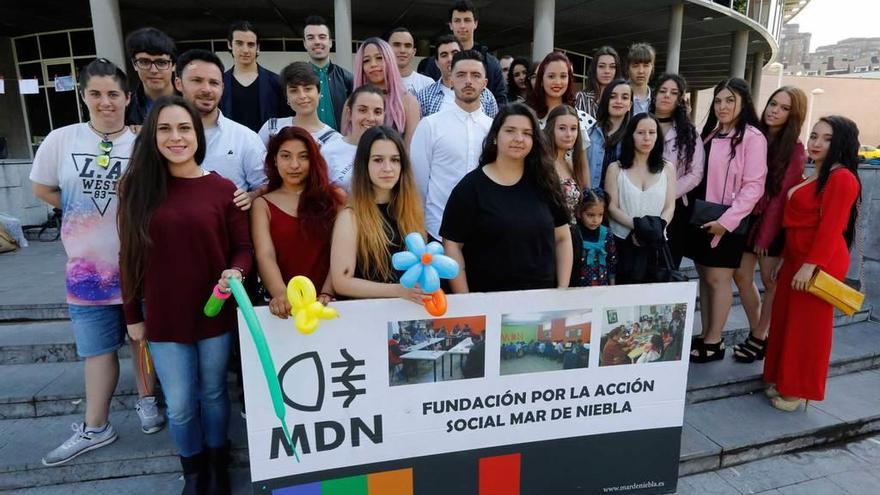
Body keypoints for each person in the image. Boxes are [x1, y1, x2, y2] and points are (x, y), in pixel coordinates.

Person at [32, 59, 163, 467]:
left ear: (127, 98)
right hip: (87, 270)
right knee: (97, 350)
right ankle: (96, 425)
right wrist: (80, 216)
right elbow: (42, 187)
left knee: (142, 341)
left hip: (140, 267)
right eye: (96, 94)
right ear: (84, 96)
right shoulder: (61, 139)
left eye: (113, 94)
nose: (105, 102)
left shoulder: (144, 143)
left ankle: (147, 401)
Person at [118, 95, 252, 494]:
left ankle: (216, 464)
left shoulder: (223, 188)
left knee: (213, 393)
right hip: (163, 315)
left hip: (214, 311)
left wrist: (237, 271)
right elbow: (128, 255)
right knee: (178, 403)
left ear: (198, 135)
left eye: (184, 129)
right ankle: (192, 472)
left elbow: (242, 249)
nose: (175, 137)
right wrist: (132, 315)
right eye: (165, 128)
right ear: (151, 136)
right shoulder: (136, 188)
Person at [763, 116, 862, 411]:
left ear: (841, 142)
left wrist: (810, 265)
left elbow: (832, 227)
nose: (816, 143)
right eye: (814, 136)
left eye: (826, 138)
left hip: (819, 261)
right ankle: (783, 379)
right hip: (797, 257)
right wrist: (786, 258)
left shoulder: (841, 177)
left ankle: (797, 391)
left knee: (808, 329)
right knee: (786, 321)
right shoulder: (815, 175)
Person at [441, 103, 573, 293]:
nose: (519, 139)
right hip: (488, 302)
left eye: (527, 133)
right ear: (495, 136)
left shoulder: (546, 184)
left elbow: (562, 238)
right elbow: (452, 245)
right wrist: (466, 300)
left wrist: (562, 289)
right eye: (510, 131)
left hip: (541, 302)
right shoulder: (470, 188)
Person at [688, 78, 767, 363]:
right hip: (702, 216)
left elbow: (753, 186)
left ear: (743, 102)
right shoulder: (709, 134)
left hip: (727, 221)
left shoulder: (752, 138)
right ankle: (707, 332)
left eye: (730, 100)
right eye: (719, 100)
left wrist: (728, 221)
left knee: (719, 279)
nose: (723, 106)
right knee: (706, 277)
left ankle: (714, 340)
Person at [732, 87, 807, 363]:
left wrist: (765, 237)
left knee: (769, 282)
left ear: (794, 114)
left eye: (784, 107)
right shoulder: (756, 137)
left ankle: (759, 335)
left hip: (773, 226)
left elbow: (780, 197)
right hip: (749, 218)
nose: (774, 110)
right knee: (741, 275)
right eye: (773, 103)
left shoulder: (796, 149)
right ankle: (758, 331)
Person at [251, 126, 345, 320]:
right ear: (274, 159)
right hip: (284, 308)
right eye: (286, 156)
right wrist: (281, 294)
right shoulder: (262, 205)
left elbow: (342, 252)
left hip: (332, 303)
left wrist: (328, 292)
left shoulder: (335, 198)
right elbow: (265, 255)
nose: (294, 165)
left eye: (303, 157)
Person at [329, 126, 427, 300]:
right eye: (378, 160)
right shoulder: (350, 217)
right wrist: (398, 291)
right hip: (366, 317)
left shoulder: (412, 211)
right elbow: (341, 282)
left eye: (395, 160)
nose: (387, 168)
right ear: (364, 164)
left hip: (406, 316)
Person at [411, 50, 493, 242]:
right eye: (461, 75)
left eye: (476, 75)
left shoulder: (494, 130)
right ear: (451, 79)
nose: (468, 81)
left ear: (485, 83)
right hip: (437, 231)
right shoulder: (430, 125)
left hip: (485, 233)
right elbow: (418, 183)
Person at [175, 49, 267, 206]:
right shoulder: (162, 137)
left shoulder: (245, 138)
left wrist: (252, 196)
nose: (207, 89)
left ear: (222, 87)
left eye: (214, 83)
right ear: (178, 83)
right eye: (197, 80)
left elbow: (265, 184)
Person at [605, 113, 676, 284]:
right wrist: (638, 227)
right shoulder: (615, 168)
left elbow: (670, 207)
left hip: (656, 244)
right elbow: (612, 207)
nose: (647, 138)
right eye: (641, 132)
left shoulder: (668, 168)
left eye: (652, 132)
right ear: (631, 135)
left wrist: (656, 228)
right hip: (622, 242)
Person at [650, 73, 705, 268]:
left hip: (675, 207)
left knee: (668, 263)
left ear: (680, 99)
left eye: (673, 93)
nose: (667, 96)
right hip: (640, 201)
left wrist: (668, 192)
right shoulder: (641, 123)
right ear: (654, 94)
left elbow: (695, 173)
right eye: (663, 91)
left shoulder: (688, 133)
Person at [419, 1, 507, 106]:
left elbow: (500, 103)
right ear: (450, 25)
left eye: (467, 20)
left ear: (476, 23)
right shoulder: (434, 64)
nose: (462, 25)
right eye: (457, 21)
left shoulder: (491, 63)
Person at [219, 21, 287, 133]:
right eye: (239, 43)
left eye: (250, 44)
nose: (245, 50)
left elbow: (286, 120)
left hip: (267, 147)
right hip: (231, 147)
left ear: (258, 48)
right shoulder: (220, 83)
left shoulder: (276, 82)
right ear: (230, 45)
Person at [353, 38, 421, 146]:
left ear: (390, 60)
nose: (373, 64)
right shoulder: (351, 102)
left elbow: (410, 151)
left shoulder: (409, 102)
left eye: (379, 58)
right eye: (366, 60)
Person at [257, 62, 342, 147]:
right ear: (287, 97)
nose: (302, 96)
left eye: (308, 89)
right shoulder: (271, 129)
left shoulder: (334, 140)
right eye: (294, 91)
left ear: (319, 93)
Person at [322, 84, 386, 192]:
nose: (370, 118)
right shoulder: (328, 151)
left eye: (377, 112)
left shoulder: (391, 150)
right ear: (349, 113)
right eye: (362, 110)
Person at [416, 35, 497, 118]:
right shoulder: (425, 96)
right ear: (437, 63)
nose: (450, 59)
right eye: (444, 55)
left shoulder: (486, 95)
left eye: (455, 53)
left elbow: (492, 128)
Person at [303, 15, 354, 132]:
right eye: (310, 38)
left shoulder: (348, 79)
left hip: (340, 144)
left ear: (330, 42)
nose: (317, 42)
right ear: (305, 44)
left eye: (322, 37)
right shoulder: (297, 80)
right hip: (307, 144)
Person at [125, 27, 177, 125]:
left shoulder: (191, 102)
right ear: (134, 64)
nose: (153, 70)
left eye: (161, 62)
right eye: (144, 62)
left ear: (173, 65)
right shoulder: (125, 108)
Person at [589, 79, 633, 189]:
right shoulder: (590, 132)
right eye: (613, 96)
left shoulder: (634, 136)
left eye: (624, 97)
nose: (618, 101)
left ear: (630, 105)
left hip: (621, 200)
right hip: (592, 199)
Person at [575, 189, 617, 286]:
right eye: (590, 215)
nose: (595, 220)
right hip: (578, 288)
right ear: (579, 212)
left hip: (602, 287)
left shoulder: (607, 234)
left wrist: (612, 286)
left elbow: (612, 261)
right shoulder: (575, 233)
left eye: (600, 215)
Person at [575, 46, 621, 118]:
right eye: (601, 66)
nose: (607, 71)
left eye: (612, 67)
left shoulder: (620, 100)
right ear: (594, 69)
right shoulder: (582, 98)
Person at [387, 27, 435, 94]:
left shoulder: (428, 84)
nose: (402, 50)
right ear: (386, 49)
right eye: (397, 45)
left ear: (414, 52)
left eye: (407, 46)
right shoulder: (378, 83)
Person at [626, 43, 656, 115]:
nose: (641, 71)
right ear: (628, 68)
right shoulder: (618, 97)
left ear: (652, 68)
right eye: (635, 66)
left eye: (646, 66)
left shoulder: (657, 99)